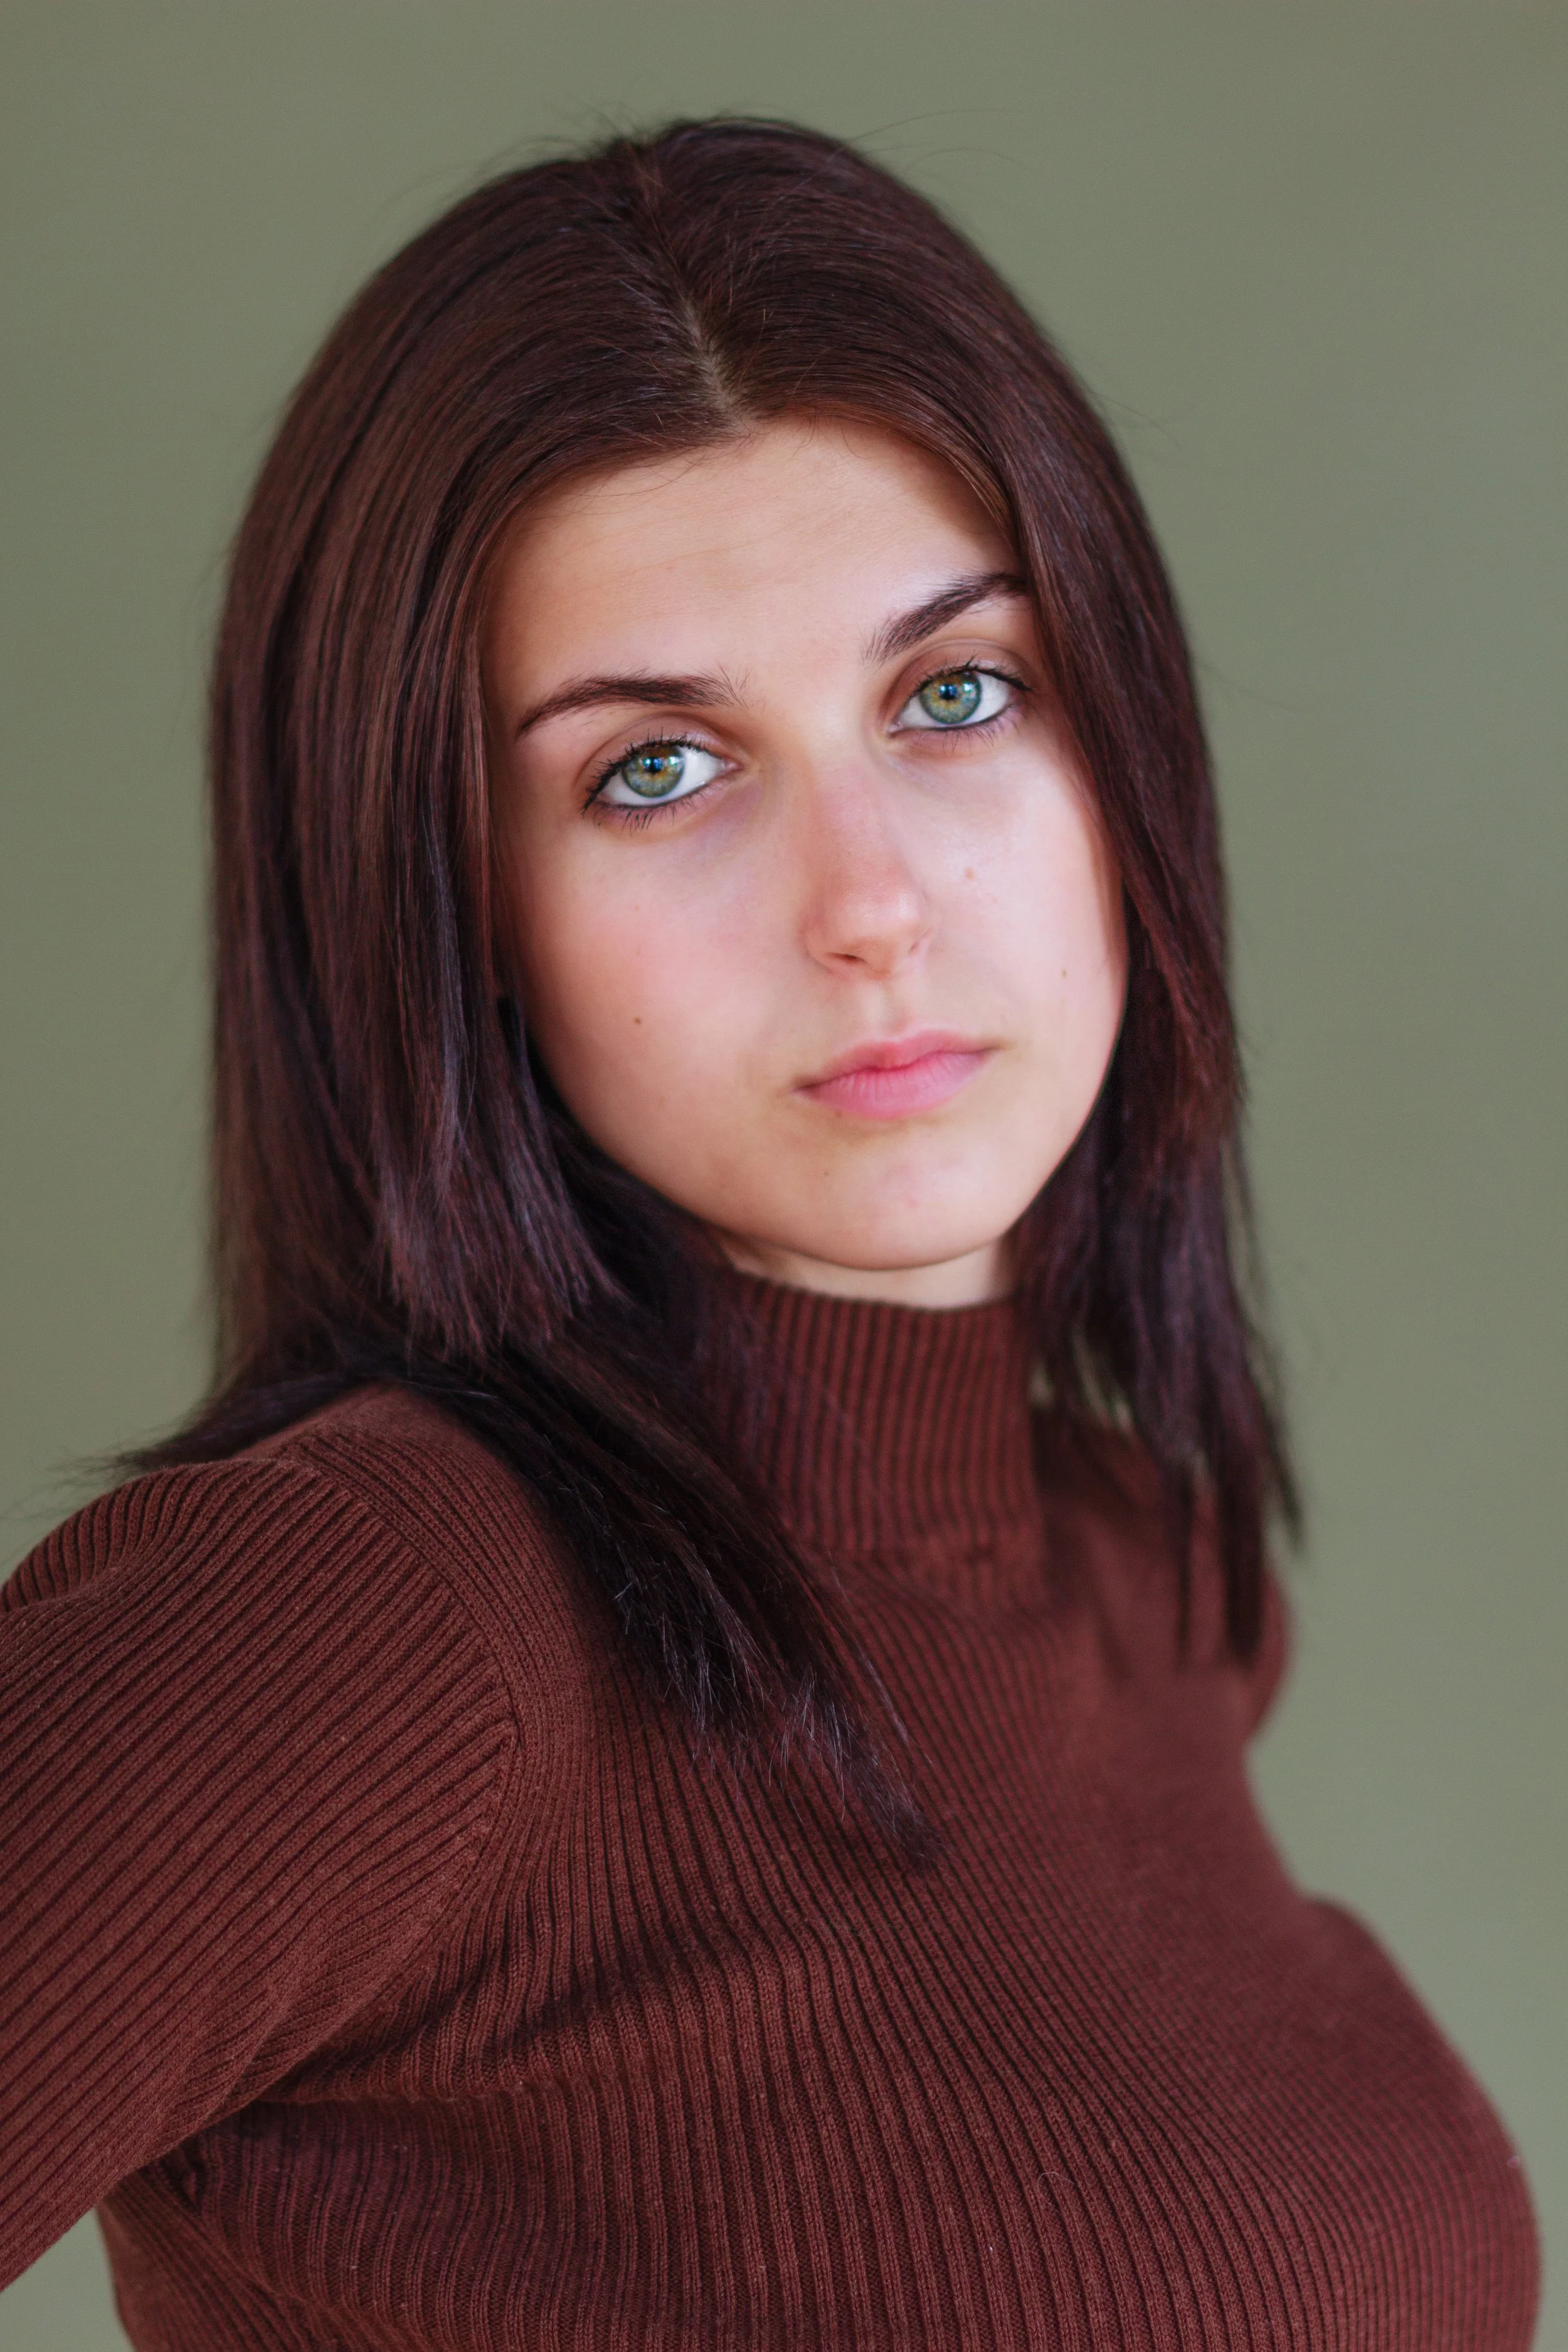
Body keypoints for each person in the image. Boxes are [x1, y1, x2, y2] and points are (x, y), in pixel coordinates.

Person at [0, 118, 1539, 2351]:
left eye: (953, 694)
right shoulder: (363, 1625)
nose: (870, 906)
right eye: (656, 767)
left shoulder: (1147, 1583)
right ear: (447, 909)